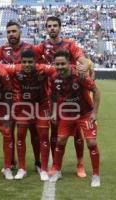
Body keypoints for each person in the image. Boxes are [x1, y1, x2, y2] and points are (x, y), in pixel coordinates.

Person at [34, 16, 91, 177]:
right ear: (46, 29)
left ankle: (80, 164)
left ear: (60, 27)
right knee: (55, 130)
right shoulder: (42, 47)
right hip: (54, 93)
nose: (52, 28)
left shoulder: (70, 45)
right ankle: (56, 165)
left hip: (73, 94)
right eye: (49, 26)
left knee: (77, 131)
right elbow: (30, 60)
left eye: (54, 25)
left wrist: (85, 66)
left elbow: (83, 60)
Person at [0, 20, 41, 172]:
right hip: (8, 97)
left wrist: (9, 67)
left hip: (29, 97)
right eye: (9, 32)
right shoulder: (2, 50)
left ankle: (38, 162)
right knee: (9, 131)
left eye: (14, 31)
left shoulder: (29, 48)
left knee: (34, 131)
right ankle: (11, 161)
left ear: (20, 32)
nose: (11, 34)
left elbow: (39, 67)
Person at [49, 51, 101, 187]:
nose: (60, 67)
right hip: (67, 114)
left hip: (85, 114)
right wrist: (54, 113)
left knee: (91, 143)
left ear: (69, 63)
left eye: (62, 64)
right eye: (57, 64)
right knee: (60, 140)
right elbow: (54, 96)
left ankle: (96, 175)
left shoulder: (80, 75)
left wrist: (95, 113)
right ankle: (57, 171)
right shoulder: (54, 78)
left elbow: (96, 91)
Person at [3, 49, 56, 181]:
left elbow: (59, 69)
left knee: (44, 136)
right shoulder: (15, 69)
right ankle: (22, 168)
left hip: (41, 106)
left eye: (30, 62)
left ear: (35, 62)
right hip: (22, 106)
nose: (27, 64)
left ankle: (43, 169)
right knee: (20, 135)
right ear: (21, 62)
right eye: (24, 62)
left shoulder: (43, 69)